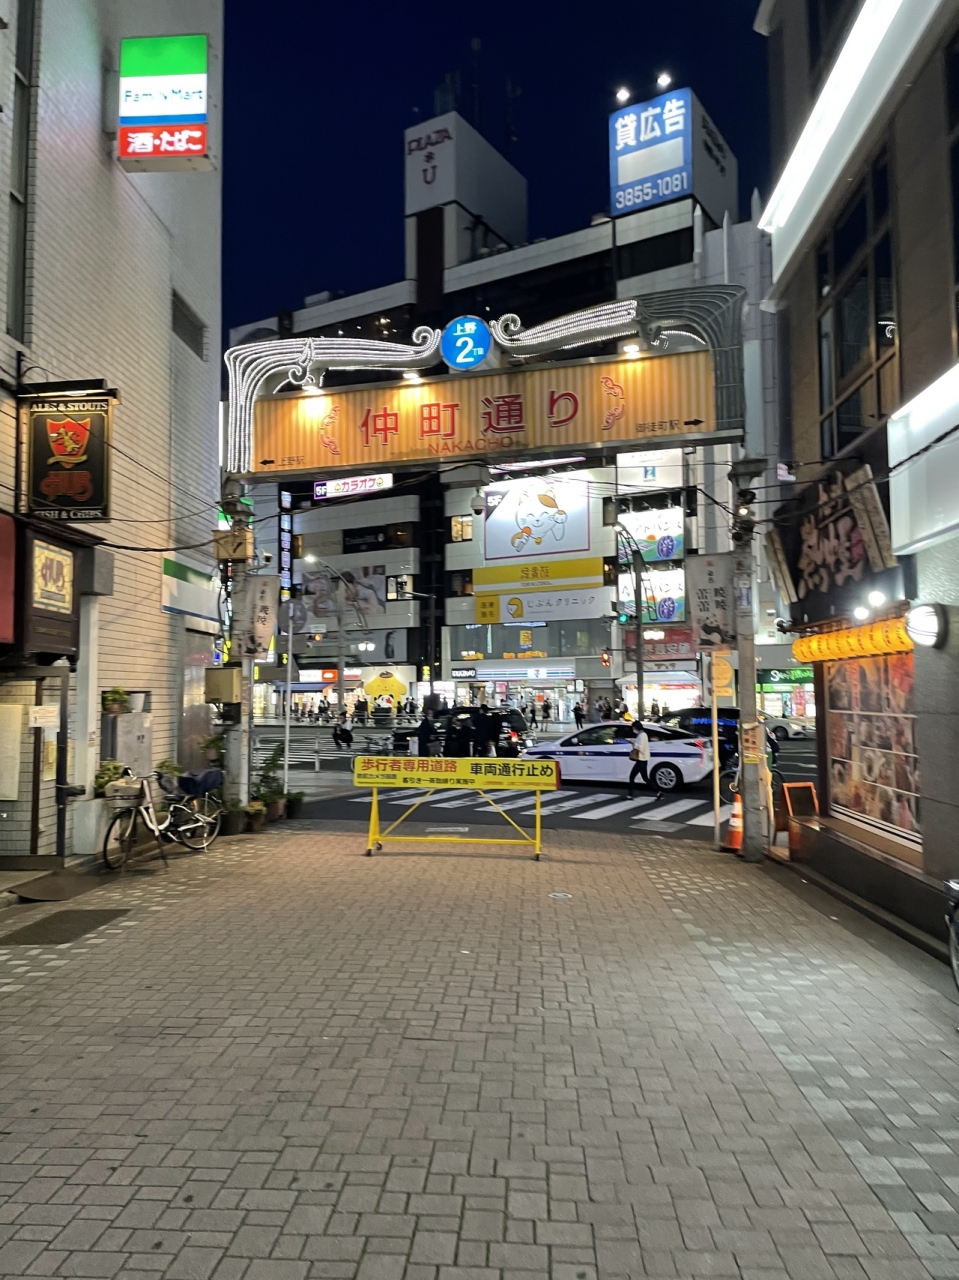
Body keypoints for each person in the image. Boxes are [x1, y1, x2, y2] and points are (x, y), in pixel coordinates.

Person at [627, 722, 661, 801]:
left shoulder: (641, 735)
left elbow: (640, 747)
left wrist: (633, 743)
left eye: (633, 728)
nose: (633, 730)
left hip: (641, 759)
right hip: (643, 759)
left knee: (633, 777)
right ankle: (658, 792)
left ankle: (630, 795)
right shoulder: (642, 734)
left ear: (635, 728)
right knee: (645, 778)